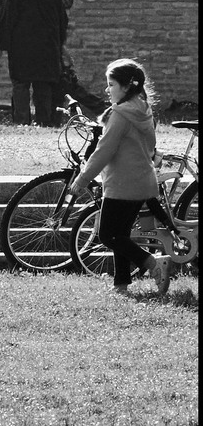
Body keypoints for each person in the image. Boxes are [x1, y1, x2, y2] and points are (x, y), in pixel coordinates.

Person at [68, 59, 170, 295]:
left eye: (111, 84)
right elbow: (151, 145)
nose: (107, 89)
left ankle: (153, 264)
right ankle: (121, 284)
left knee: (108, 235)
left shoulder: (120, 115)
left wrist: (82, 179)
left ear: (125, 87)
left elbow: (104, 151)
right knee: (121, 235)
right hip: (142, 183)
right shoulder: (142, 109)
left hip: (122, 185)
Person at [0, 0, 68, 126]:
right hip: (46, 44)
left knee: (20, 84)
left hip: (21, 43)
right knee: (43, 85)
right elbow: (60, 16)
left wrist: (4, 41)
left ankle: (21, 122)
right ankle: (44, 122)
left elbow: (7, 13)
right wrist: (59, 41)